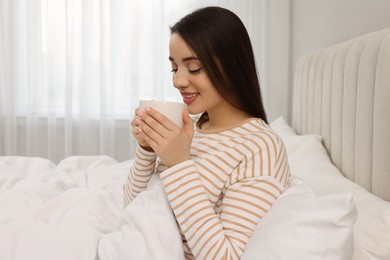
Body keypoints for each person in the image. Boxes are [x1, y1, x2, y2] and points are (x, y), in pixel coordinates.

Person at [123, 6, 290, 259]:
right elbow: (131, 210)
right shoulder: (192, 127)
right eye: (174, 68)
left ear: (233, 66)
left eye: (194, 68)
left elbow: (226, 256)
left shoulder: (260, 147)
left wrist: (179, 163)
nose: (178, 81)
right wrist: (146, 148)